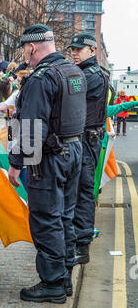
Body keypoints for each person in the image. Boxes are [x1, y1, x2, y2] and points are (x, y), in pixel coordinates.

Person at [8, 24, 87, 304]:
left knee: (45, 219)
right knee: (65, 215)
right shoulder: (73, 72)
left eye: (25, 51)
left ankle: (52, 282)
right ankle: (64, 274)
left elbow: (31, 129)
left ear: (32, 47)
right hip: (74, 150)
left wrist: (16, 164)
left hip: (50, 157)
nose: (25, 56)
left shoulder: (42, 78)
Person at [69, 33, 109, 265]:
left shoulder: (90, 75)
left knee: (82, 192)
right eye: (73, 49)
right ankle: (76, 240)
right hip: (81, 140)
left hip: (86, 141)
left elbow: (68, 94)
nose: (74, 52)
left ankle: (82, 246)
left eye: (79, 49)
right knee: (75, 191)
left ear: (92, 51)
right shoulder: (82, 73)